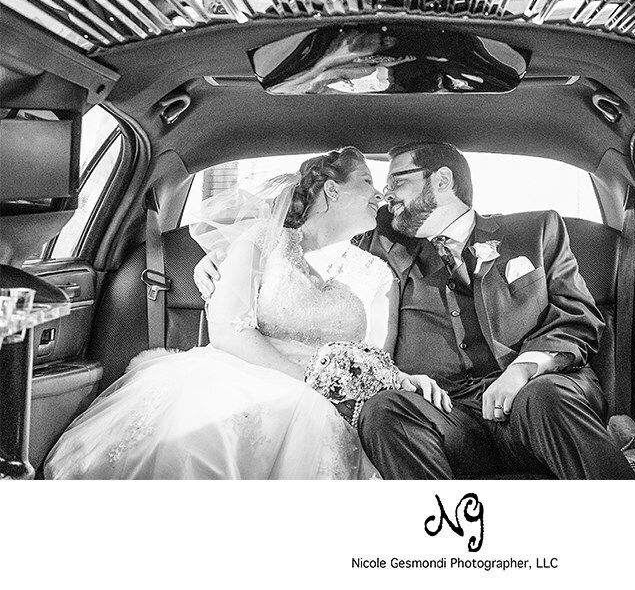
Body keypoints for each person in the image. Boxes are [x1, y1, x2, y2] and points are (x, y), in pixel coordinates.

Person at [196, 142, 633, 479]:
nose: (385, 196)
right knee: (384, 411)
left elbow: (578, 319)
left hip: (538, 397)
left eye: (398, 181)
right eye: (379, 186)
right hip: (449, 414)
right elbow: (302, 239)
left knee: (546, 396)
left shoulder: (536, 229)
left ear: (442, 181)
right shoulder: (378, 243)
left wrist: (521, 370)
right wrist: (223, 257)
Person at [44, 147, 402, 479]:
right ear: (332, 190)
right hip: (251, 378)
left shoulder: (368, 270)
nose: (380, 195)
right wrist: (311, 384)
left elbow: (369, 357)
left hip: (327, 402)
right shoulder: (263, 240)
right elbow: (229, 330)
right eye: (368, 181)